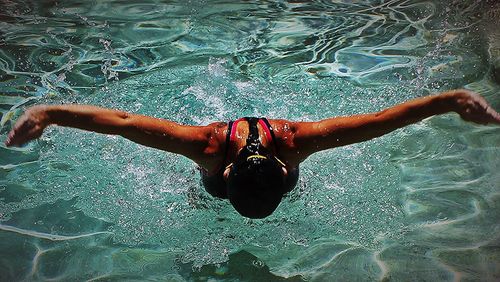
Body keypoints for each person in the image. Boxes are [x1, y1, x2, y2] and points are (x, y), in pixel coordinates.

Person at [4, 89, 500, 218]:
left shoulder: (291, 140)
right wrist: (449, 102)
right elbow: (126, 126)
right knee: (206, 202)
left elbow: (128, 125)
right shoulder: (208, 147)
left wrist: (52, 113)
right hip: (221, 180)